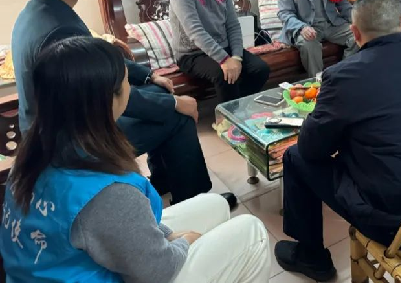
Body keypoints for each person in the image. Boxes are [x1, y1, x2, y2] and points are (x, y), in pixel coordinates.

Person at [0, 37, 271, 283]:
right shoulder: (106, 192)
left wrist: (166, 235)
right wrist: (183, 242)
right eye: (126, 82)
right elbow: (157, 270)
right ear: (109, 99)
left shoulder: (32, 154)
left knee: (215, 205)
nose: (130, 89)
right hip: (147, 271)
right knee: (251, 231)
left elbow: (115, 226)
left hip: (59, 268)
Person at [9, 0, 230, 208]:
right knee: (178, 117)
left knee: (161, 93)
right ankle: (195, 203)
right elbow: (106, 92)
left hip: (65, 126)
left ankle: (164, 182)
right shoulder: (58, 30)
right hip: (72, 144)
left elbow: (99, 56)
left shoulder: (42, 11)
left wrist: (148, 76)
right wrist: (176, 104)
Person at [274, 0, 401, 281]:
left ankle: (312, 257)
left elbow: (311, 149)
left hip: (395, 224)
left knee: (296, 156)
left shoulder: (344, 75)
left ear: (355, 33)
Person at [170, 0, 270, 103]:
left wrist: (236, 57)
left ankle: (237, 107)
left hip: (224, 47)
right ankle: (230, 115)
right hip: (193, 54)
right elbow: (195, 32)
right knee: (224, 74)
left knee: (260, 69)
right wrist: (224, 59)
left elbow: (233, 25)